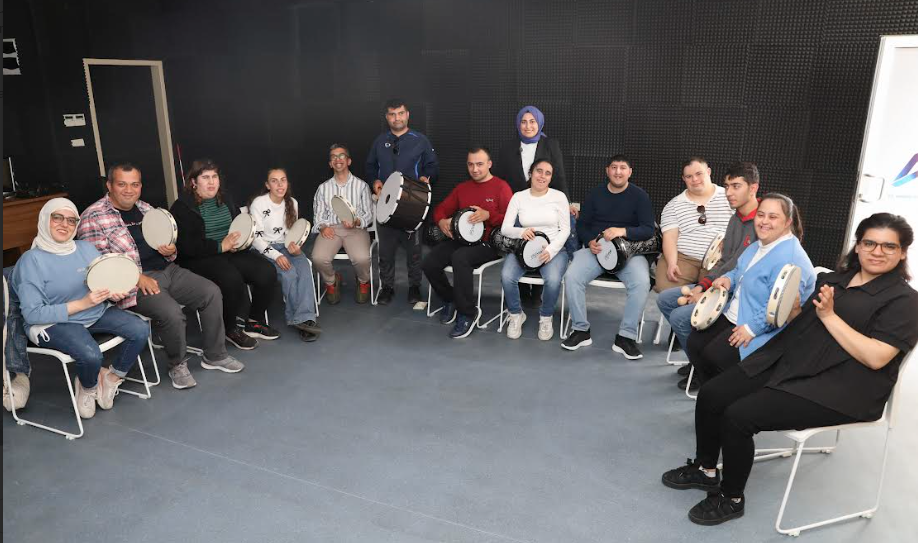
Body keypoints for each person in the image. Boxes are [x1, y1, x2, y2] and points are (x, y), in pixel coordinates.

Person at [661, 213, 917, 526]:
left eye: (889, 246)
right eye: (870, 243)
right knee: (712, 394)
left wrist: (829, 317)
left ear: (902, 252)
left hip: (842, 387)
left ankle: (731, 498)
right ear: (858, 246)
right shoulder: (834, 280)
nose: (877, 252)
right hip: (793, 362)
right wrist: (793, 310)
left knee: (739, 416)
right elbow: (804, 323)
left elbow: (876, 357)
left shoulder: (905, 301)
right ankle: (706, 469)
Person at [78, 163, 244, 389]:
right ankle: (177, 365)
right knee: (172, 313)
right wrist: (137, 277)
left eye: (135, 184)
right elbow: (97, 266)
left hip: (167, 270)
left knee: (211, 292)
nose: (129, 190)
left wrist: (170, 250)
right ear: (109, 185)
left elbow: (168, 244)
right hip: (133, 284)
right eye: (122, 184)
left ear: (141, 186)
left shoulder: (146, 209)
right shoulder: (93, 216)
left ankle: (215, 355)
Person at [10, 198, 149, 419]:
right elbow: (33, 314)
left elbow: (101, 281)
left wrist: (112, 292)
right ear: (45, 219)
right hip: (53, 323)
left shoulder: (85, 248)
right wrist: (83, 303)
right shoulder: (31, 261)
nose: (64, 224)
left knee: (140, 329)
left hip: (93, 312)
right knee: (91, 355)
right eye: (57, 218)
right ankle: (88, 386)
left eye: (71, 220)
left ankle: (111, 378)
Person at [683, 194, 816, 389]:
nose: (764, 221)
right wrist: (728, 279)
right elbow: (740, 270)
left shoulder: (791, 258)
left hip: (761, 325)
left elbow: (779, 306)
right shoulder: (759, 245)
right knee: (694, 343)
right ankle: (711, 392)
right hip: (737, 312)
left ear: (788, 222)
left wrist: (752, 329)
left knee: (715, 356)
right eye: (761, 215)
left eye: (773, 217)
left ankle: (720, 396)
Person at [656, 162, 760, 388]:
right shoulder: (736, 219)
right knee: (665, 299)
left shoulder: (761, 223)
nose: (729, 193)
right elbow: (725, 262)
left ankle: (704, 370)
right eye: (727, 186)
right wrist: (701, 286)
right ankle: (698, 360)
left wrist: (706, 291)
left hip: (738, 295)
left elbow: (739, 268)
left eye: (736, 186)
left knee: (680, 317)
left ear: (753, 188)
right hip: (723, 284)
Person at [170, 159, 279, 349]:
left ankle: (254, 321)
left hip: (229, 252)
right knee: (231, 279)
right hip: (200, 258)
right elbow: (187, 247)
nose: (211, 182)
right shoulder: (182, 207)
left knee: (267, 271)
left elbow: (239, 225)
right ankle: (230, 329)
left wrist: (240, 243)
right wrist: (221, 246)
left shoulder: (226, 199)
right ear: (194, 182)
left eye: (214, 177)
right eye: (205, 177)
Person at [560, 155, 656, 359]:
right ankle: (580, 330)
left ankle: (626, 337)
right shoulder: (595, 194)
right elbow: (583, 225)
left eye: (623, 168)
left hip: (629, 253)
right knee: (572, 276)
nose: (618, 172)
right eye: (614, 167)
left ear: (630, 172)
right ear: (607, 170)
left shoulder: (640, 196)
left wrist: (623, 231)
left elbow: (648, 229)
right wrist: (589, 241)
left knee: (641, 282)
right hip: (597, 250)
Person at [421, 146, 512, 338]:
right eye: (471, 164)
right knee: (429, 262)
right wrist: (441, 221)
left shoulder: (501, 187)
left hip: (489, 243)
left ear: (489, 164)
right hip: (462, 240)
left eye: (479, 164)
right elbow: (441, 209)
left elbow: (512, 221)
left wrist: (489, 215)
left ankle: (467, 313)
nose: (475, 169)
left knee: (460, 258)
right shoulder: (462, 188)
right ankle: (450, 299)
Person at [494, 105, 577, 304]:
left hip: (544, 202)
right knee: (521, 247)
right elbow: (500, 179)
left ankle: (538, 292)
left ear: (539, 123)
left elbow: (559, 175)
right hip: (518, 205)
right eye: (523, 122)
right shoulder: (508, 147)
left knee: (542, 243)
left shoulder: (551, 145)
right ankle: (523, 293)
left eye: (532, 122)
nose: (528, 126)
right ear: (518, 124)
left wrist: (566, 202)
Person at [366, 98, 439, 305]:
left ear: (407, 115)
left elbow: (433, 166)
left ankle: (414, 287)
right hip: (385, 204)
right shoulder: (380, 141)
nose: (396, 118)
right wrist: (375, 181)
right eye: (392, 114)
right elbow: (370, 166)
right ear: (387, 117)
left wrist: (426, 177)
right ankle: (386, 287)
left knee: (414, 252)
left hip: (412, 206)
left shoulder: (420, 140)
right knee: (385, 251)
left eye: (400, 113)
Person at [248, 167, 321, 343]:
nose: (280, 185)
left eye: (283, 180)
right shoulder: (259, 203)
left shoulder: (292, 203)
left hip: (286, 246)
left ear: (287, 183)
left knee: (304, 267)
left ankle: (305, 318)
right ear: (267, 185)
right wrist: (276, 256)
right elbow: (256, 239)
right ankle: (299, 320)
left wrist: (296, 247)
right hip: (264, 249)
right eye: (274, 181)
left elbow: (292, 233)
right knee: (289, 273)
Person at [500, 159, 570, 340]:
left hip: (553, 250)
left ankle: (546, 317)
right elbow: (505, 228)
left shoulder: (559, 197)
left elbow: (565, 230)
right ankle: (516, 314)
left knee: (553, 280)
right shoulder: (518, 197)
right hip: (523, 249)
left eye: (548, 173)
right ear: (531, 173)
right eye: (539, 171)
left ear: (551, 177)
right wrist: (521, 232)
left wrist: (551, 250)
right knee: (507, 276)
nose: (542, 176)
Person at [655, 157, 733, 293]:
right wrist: (672, 263)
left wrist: (730, 243)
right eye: (689, 176)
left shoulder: (730, 197)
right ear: (683, 179)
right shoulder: (673, 205)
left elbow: (744, 227)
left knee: (714, 294)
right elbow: (670, 238)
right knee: (666, 291)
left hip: (719, 259)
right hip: (684, 258)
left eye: (699, 174)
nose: (694, 179)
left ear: (708, 172)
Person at [311, 144, 374, 305]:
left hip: (356, 229)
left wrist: (356, 221)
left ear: (348, 161)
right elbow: (318, 216)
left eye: (341, 156)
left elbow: (368, 215)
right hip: (331, 229)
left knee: (362, 258)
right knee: (318, 258)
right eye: (333, 157)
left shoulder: (362, 186)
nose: (337, 159)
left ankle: (363, 281)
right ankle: (332, 281)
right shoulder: (323, 188)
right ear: (330, 164)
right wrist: (323, 227)